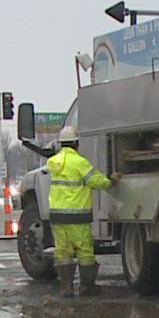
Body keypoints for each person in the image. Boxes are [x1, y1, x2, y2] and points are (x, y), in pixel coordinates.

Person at [46, 125, 120, 297]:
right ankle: (87, 287)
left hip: (57, 216)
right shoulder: (79, 163)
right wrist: (112, 181)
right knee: (84, 251)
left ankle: (66, 288)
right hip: (77, 216)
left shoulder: (54, 163)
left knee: (62, 252)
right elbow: (97, 181)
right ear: (76, 144)